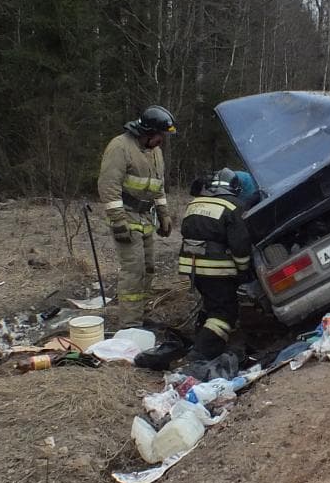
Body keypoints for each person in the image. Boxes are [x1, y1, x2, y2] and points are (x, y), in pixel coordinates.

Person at [97, 105, 176, 323]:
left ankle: (142, 313)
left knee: (148, 268)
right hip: (127, 215)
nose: (162, 141)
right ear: (148, 132)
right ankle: (130, 324)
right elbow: (108, 186)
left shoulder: (155, 152)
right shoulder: (120, 147)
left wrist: (163, 213)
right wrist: (118, 221)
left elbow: (157, 186)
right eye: (160, 135)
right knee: (134, 271)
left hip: (145, 218)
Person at [177, 169, 255, 360]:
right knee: (225, 313)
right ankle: (202, 353)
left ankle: (199, 337)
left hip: (191, 266)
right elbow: (240, 245)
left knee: (212, 303)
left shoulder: (195, 203)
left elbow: (186, 230)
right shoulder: (234, 206)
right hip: (216, 268)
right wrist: (244, 272)